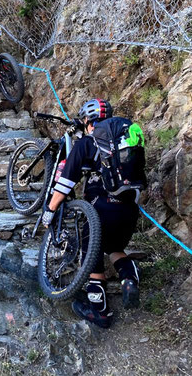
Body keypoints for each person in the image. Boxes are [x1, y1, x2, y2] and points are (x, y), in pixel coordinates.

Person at [41, 99, 141, 329]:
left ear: (87, 120)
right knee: (115, 249)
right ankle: (129, 280)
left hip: (99, 208)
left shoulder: (86, 143)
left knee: (92, 257)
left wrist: (50, 209)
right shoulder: (125, 145)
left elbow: (66, 181)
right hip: (128, 209)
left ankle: (100, 313)